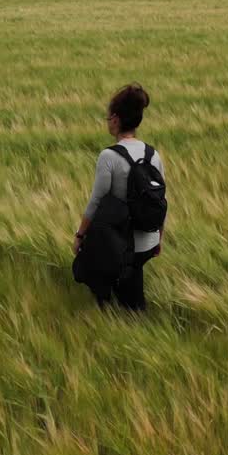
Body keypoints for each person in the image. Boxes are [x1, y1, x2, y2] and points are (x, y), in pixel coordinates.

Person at [75, 83, 165, 311]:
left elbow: (97, 201)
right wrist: (158, 238)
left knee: (92, 266)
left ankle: (108, 312)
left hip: (119, 246)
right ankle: (132, 311)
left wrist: (80, 236)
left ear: (115, 119)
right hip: (148, 241)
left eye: (108, 118)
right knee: (132, 281)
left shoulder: (109, 156)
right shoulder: (153, 155)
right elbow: (160, 202)